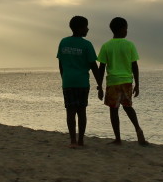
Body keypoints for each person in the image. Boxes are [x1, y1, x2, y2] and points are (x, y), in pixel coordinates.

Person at [97, 17, 148, 146]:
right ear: (122, 29)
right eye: (126, 28)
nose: (127, 31)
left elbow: (101, 68)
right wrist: (137, 83)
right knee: (128, 107)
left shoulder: (106, 46)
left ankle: (118, 138)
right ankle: (138, 128)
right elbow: (134, 65)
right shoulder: (129, 45)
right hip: (126, 81)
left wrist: (99, 86)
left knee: (113, 110)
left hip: (113, 82)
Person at [56, 15, 101, 148]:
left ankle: (72, 141)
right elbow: (93, 66)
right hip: (82, 83)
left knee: (70, 111)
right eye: (86, 26)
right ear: (80, 28)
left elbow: (61, 63)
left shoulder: (63, 42)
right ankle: (80, 141)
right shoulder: (87, 45)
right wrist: (100, 84)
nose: (88, 29)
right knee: (81, 111)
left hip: (68, 82)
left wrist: (64, 77)